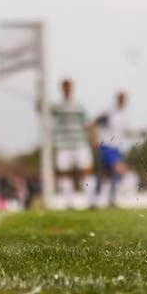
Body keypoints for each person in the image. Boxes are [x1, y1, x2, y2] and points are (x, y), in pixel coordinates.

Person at [50, 78, 95, 209]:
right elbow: (45, 112)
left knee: (86, 171)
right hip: (63, 145)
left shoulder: (79, 105)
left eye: (69, 86)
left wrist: (93, 138)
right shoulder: (57, 106)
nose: (67, 89)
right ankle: (68, 202)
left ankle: (91, 201)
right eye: (65, 87)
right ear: (62, 88)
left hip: (80, 143)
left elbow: (87, 123)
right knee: (64, 172)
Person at [94, 90, 132, 208]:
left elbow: (124, 133)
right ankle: (106, 200)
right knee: (119, 169)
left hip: (116, 148)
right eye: (121, 98)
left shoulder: (124, 115)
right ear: (117, 99)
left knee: (107, 175)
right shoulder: (110, 112)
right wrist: (94, 138)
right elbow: (95, 122)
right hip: (106, 146)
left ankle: (101, 200)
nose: (122, 101)